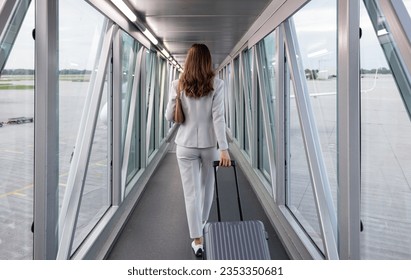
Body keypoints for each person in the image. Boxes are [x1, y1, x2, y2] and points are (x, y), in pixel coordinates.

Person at [165, 44, 231, 257]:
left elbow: (169, 116)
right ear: (207, 61)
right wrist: (224, 149)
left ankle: (197, 239)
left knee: (190, 193)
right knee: (206, 189)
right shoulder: (217, 84)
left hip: (184, 145)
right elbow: (218, 118)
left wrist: (176, 98)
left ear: (188, 61)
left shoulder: (177, 84)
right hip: (210, 145)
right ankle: (202, 224)